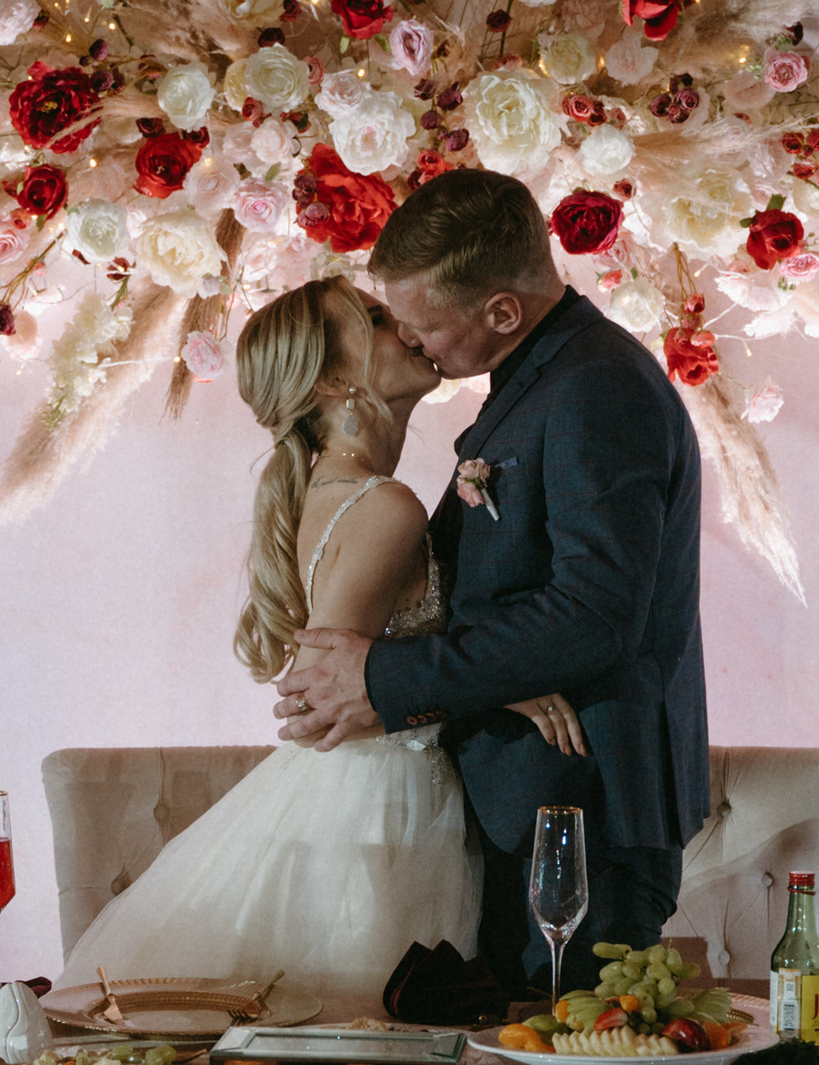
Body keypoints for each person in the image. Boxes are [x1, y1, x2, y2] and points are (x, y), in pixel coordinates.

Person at [55, 274, 588, 1014]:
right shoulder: (383, 506)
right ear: (336, 380)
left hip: (385, 798)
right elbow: (325, 691)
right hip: (377, 812)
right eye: (374, 318)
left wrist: (483, 674)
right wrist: (494, 683)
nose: (402, 323)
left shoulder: (343, 493)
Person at [276, 168, 710, 994]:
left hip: (584, 807)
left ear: (502, 312)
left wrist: (385, 676)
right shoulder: (542, 382)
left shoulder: (596, 387)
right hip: (537, 801)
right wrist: (489, 689)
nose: (412, 340)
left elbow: (594, 613)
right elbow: (496, 594)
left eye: (421, 324)